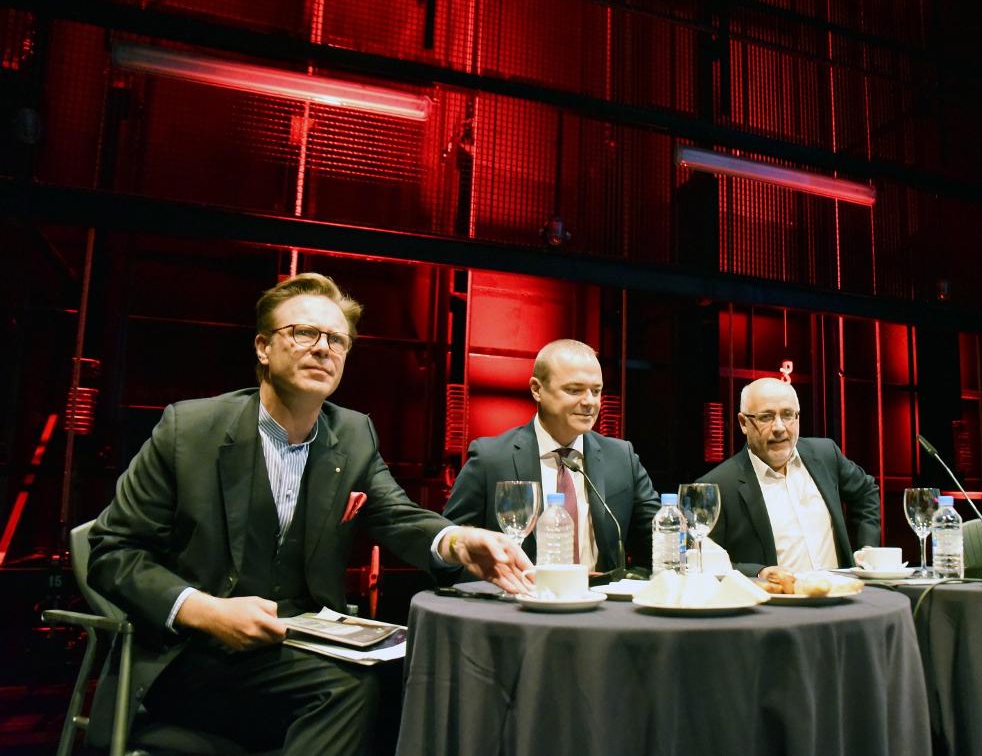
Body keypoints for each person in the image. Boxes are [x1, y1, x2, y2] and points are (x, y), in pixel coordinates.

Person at [87, 273, 531, 755]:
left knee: (424, 675)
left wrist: (458, 540)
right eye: (303, 333)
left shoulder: (354, 434)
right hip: (193, 655)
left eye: (337, 340)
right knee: (346, 690)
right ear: (262, 347)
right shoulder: (189, 429)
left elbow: (397, 516)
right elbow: (114, 552)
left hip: (301, 645)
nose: (323, 348)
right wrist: (207, 611)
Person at [443, 339, 660, 572]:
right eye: (574, 390)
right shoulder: (491, 458)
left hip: (601, 603)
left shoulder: (621, 457)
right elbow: (451, 551)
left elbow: (659, 541)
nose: (589, 402)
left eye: (596, 391)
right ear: (537, 389)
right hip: (518, 602)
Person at [698, 377, 880, 577]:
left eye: (787, 415)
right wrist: (758, 572)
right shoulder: (718, 485)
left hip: (840, 597)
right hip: (775, 603)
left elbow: (866, 491)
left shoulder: (825, 454)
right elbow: (701, 559)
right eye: (766, 417)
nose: (779, 427)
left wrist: (867, 548)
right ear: (743, 423)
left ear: (798, 417)